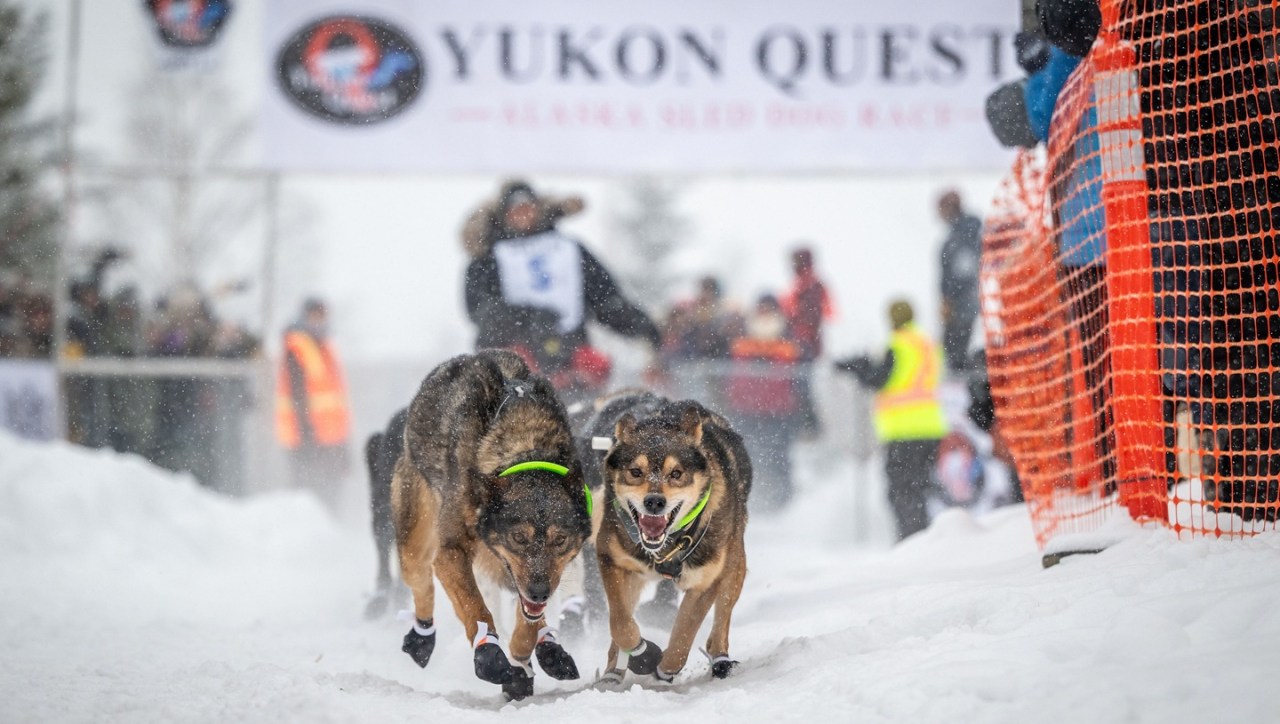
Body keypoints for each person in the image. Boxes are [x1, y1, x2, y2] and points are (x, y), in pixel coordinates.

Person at [463, 179, 662, 405]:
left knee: (594, 379)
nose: (524, 216)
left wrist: (641, 326)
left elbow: (605, 299)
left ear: (538, 209)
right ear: (503, 215)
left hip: (569, 352)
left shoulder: (568, 250)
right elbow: (480, 310)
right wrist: (527, 317)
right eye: (516, 211)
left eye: (528, 208)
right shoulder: (487, 258)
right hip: (514, 357)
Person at [835, 299, 949, 540]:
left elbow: (879, 379)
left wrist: (859, 369)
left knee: (902, 492)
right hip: (930, 427)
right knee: (920, 490)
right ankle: (925, 540)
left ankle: (911, 542)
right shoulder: (927, 343)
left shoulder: (897, 344)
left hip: (904, 431)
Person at [725, 294, 801, 512]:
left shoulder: (788, 343)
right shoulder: (741, 341)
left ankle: (781, 504)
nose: (764, 315)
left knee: (778, 458)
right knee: (746, 457)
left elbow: (798, 376)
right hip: (746, 410)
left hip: (778, 412)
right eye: (761, 309)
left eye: (769, 310)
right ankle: (748, 503)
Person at [275, 298, 351, 510]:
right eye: (314, 316)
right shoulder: (298, 346)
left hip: (331, 438)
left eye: (322, 316)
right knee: (308, 493)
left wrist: (343, 445)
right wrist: (306, 435)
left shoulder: (325, 346)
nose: (319, 321)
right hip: (308, 437)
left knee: (331, 492)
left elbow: (335, 400)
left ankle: (327, 526)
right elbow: (297, 394)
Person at [779, 247, 832, 437]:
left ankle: (809, 425)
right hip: (800, 345)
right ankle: (805, 424)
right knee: (798, 384)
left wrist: (795, 324)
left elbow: (818, 314)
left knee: (801, 385)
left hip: (804, 345)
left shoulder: (810, 286)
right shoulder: (804, 285)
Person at [936, 191, 983, 374]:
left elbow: (962, 272)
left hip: (961, 304)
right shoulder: (964, 233)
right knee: (955, 352)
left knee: (955, 355)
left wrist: (949, 298)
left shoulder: (963, 236)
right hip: (965, 301)